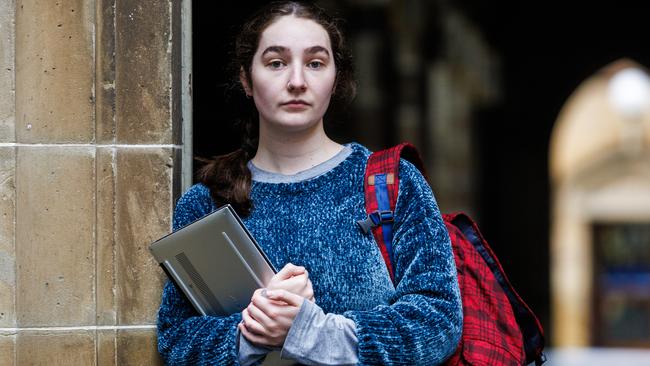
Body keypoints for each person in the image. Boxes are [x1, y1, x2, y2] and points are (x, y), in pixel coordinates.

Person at [156, 1, 462, 365]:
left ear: (336, 79)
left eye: (315, 63)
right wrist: (253, 331)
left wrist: (309, 331)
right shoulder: (206, 203)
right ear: (246, 79)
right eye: (276, 63)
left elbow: (438, 319)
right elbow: (175, 340)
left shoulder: (390, 183)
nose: (297, 81)